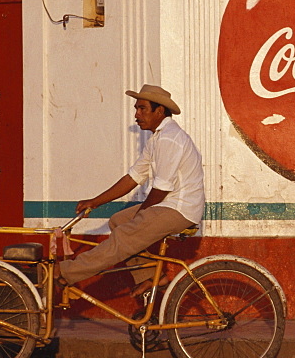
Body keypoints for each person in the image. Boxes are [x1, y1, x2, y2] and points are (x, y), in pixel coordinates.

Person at [58, 84, 205, 294]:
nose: (137, 115)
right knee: (118, 220)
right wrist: (95, 202)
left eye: (142, 109)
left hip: (179, 209)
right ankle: (150, 276)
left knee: (124, 236)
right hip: (168, 205)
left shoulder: (169, 139)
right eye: (136, 109)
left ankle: (65, 273)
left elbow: (162, 187)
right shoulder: (157, 138)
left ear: (160, 111)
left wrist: (142, 214)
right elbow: (133, 177)